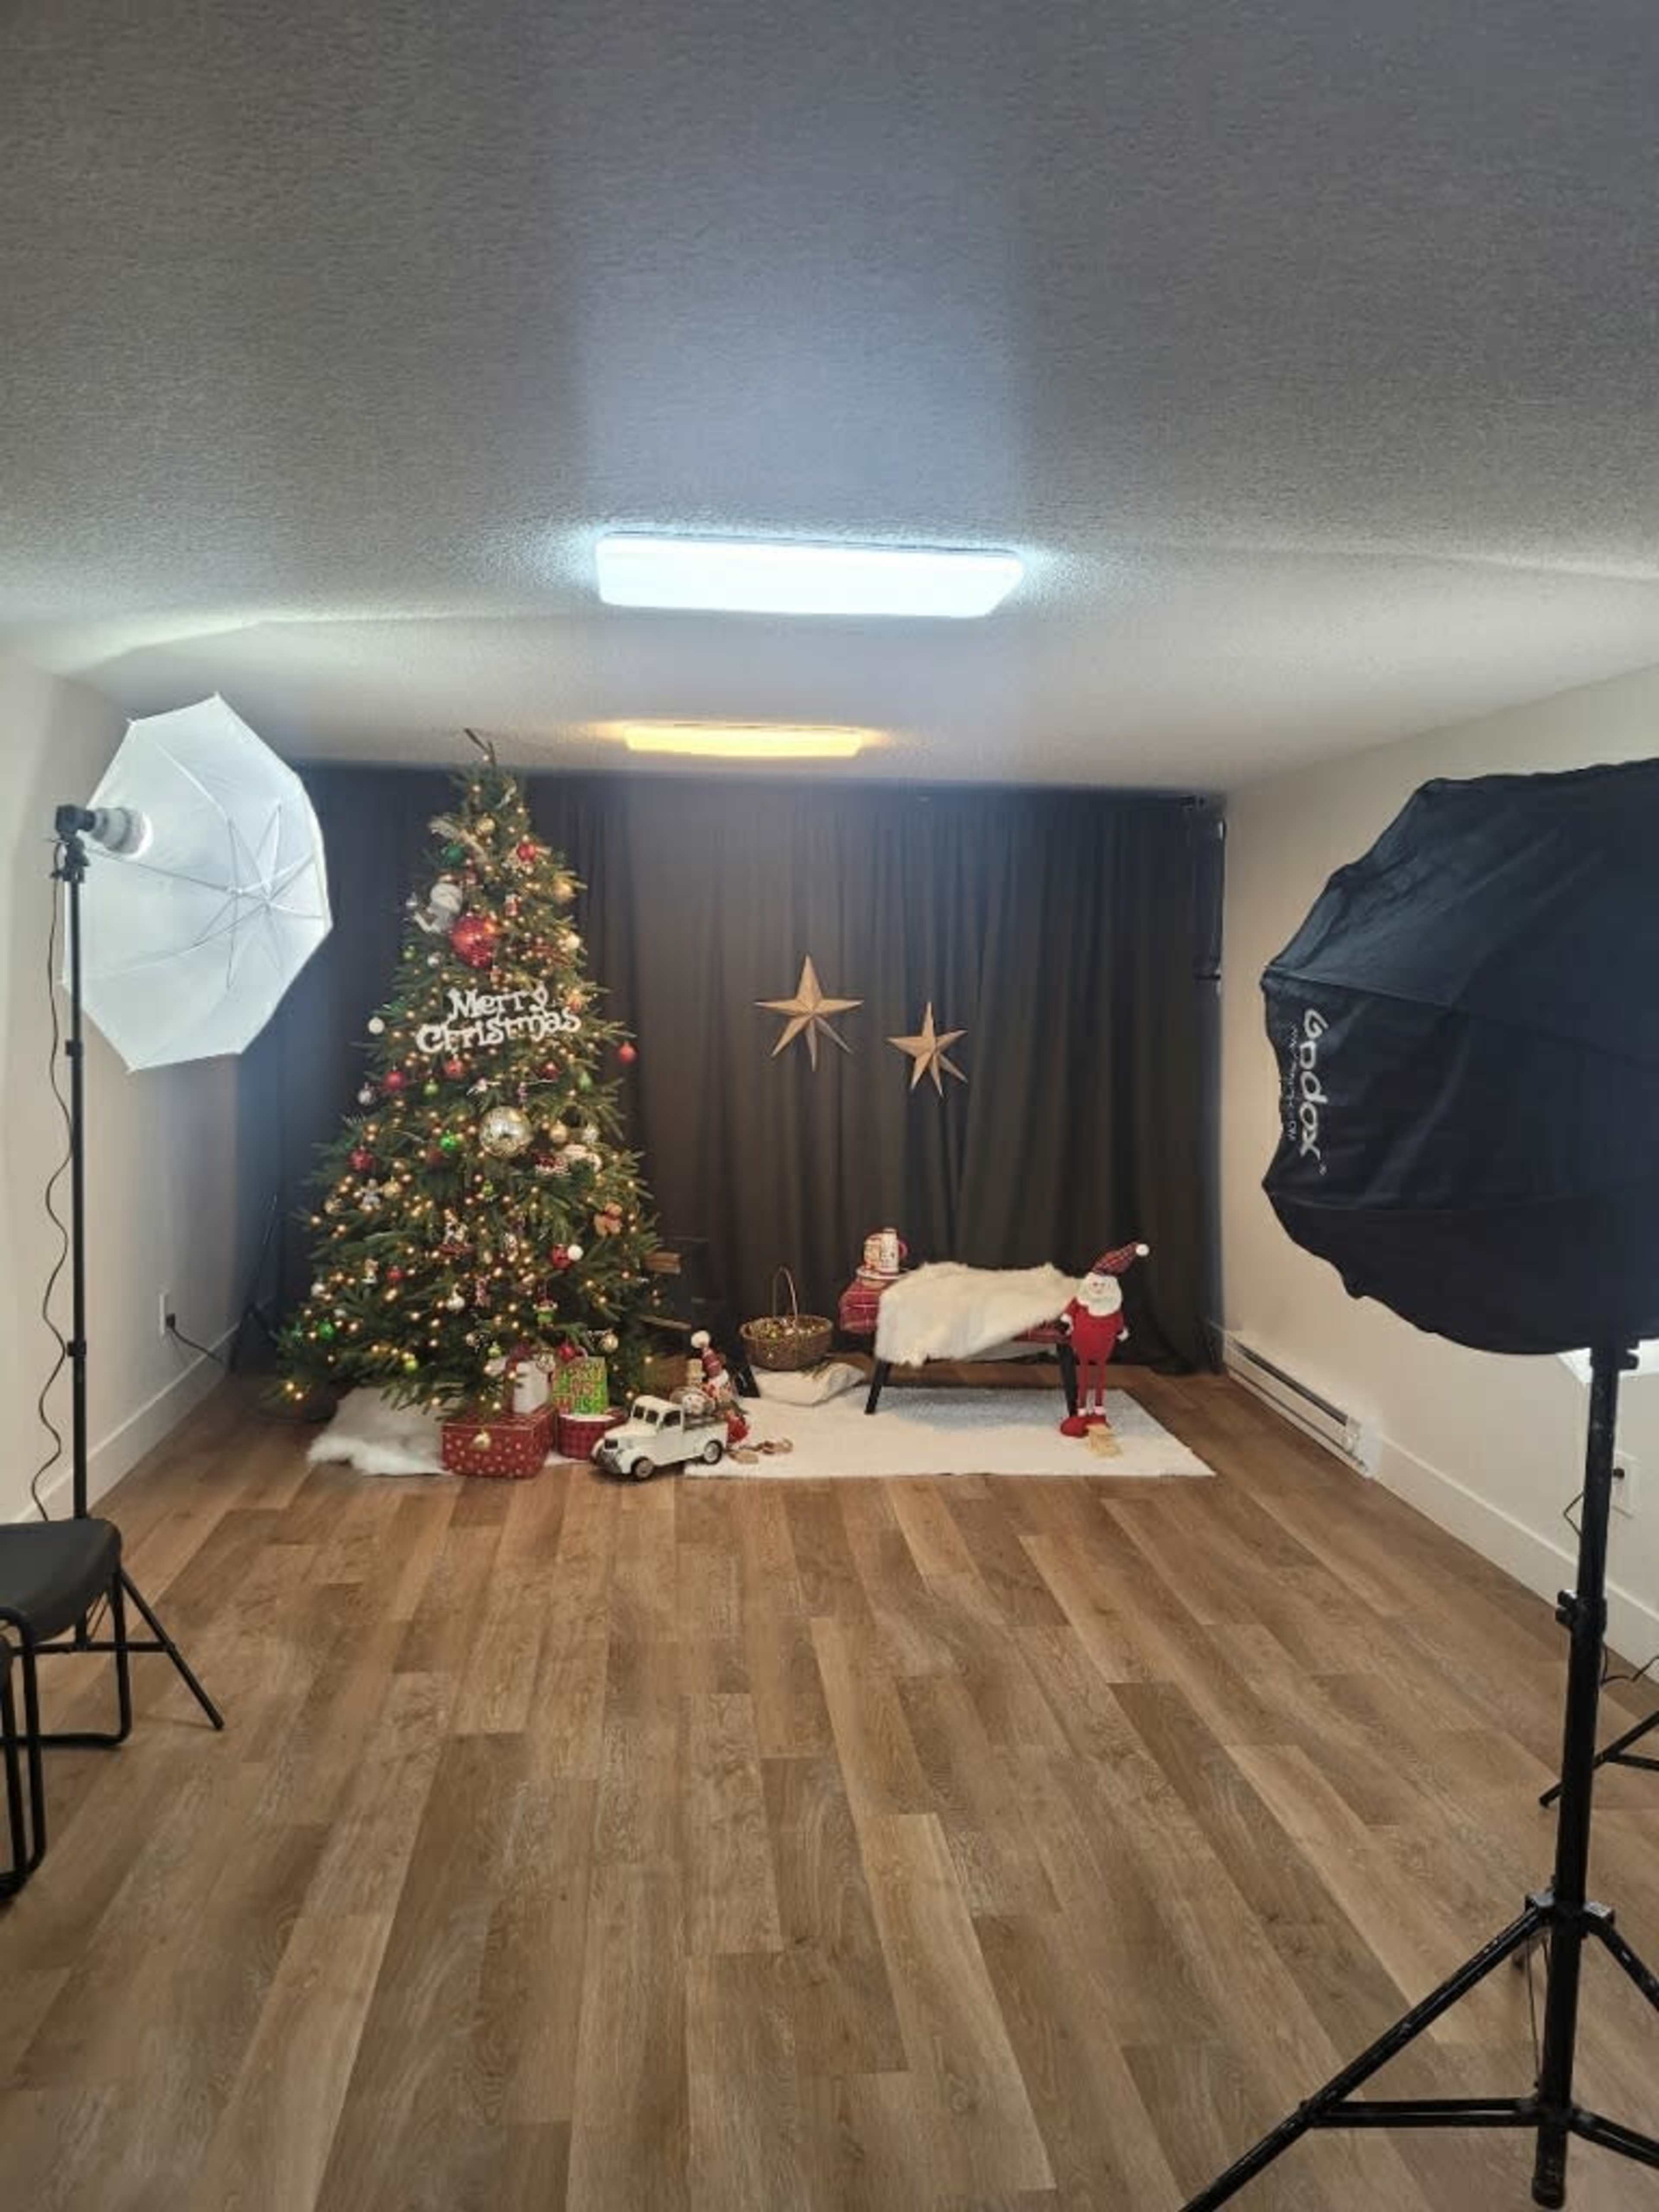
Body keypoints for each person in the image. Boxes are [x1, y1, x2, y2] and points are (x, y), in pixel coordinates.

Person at [1055, 1241, 1149, 1437]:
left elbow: (1119, 1321)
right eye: (1095, 1284)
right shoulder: (1082, 1299)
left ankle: (1099, 1411)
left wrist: (1121, 1331)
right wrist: (1066, 1321)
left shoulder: (1112, 1307)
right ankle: (1081, 1413)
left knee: (1100, 1376)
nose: (1098, 1289)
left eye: (1103, 1285)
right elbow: (1071, 1311)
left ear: (1112, 1287)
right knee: (1082, 1375)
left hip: (1103, 1348)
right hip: (1082, 1345)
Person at [690, 1329, 750, 1444]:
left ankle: (738, 1436)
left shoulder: (722, 1382)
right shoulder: (714, 1386)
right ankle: (732, 1436)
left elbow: (727, 1396)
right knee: (729, 1419)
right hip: (720, 1408)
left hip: (726, 1406)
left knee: (733, 1418)